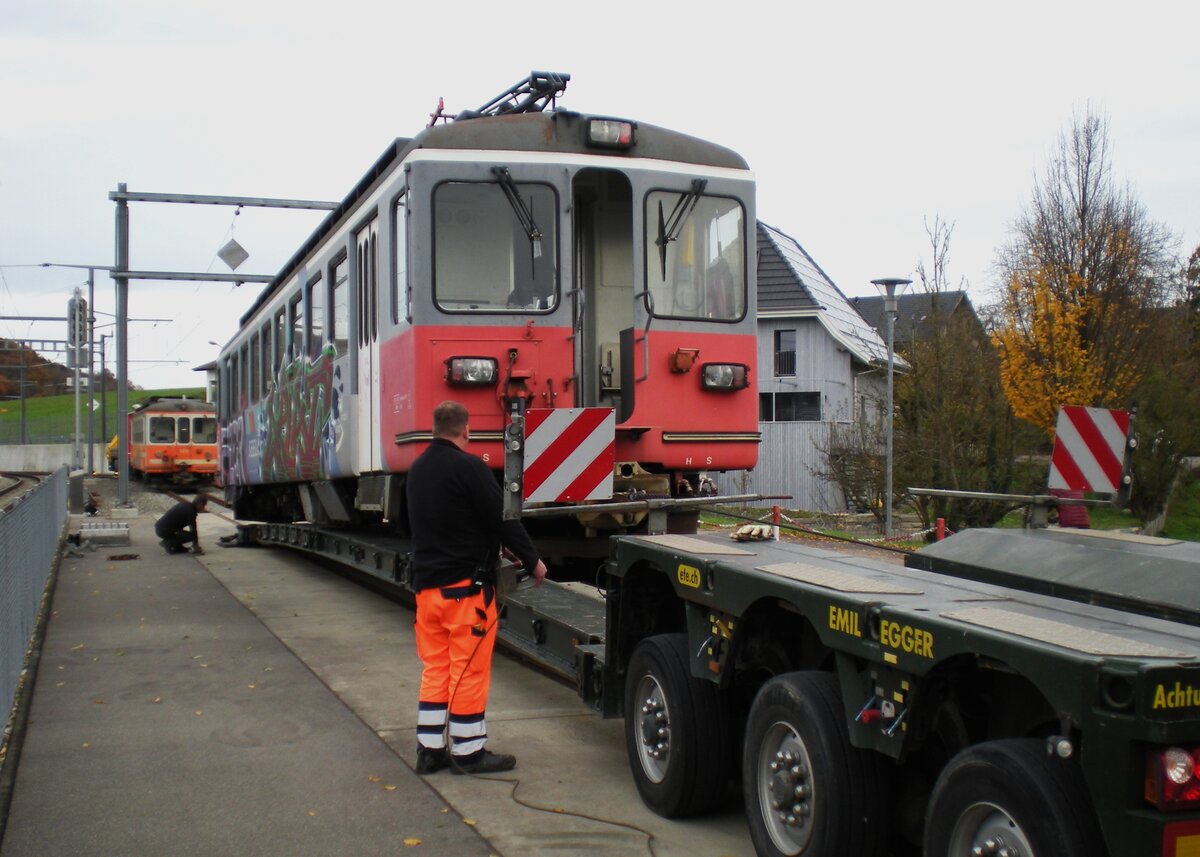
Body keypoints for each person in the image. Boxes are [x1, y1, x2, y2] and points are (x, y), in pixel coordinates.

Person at [406, 400, 547, 776]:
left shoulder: (417, 470)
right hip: (465, 595)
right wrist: (532, 560)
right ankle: (468, 753)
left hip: (427, 593)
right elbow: (503, 518)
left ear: (434, 429)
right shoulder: (470, 467)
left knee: (435, 669)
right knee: (468, 670)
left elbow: (441, 523)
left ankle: (430, 750)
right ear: (465, 431)